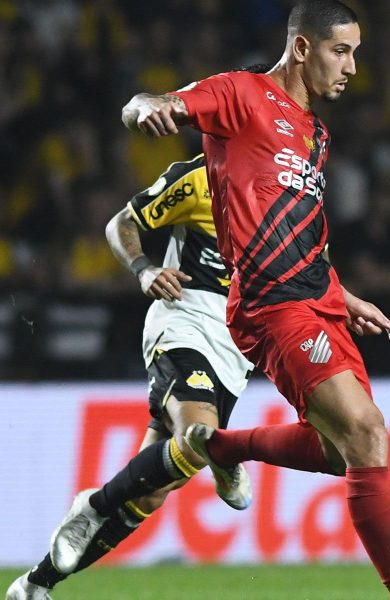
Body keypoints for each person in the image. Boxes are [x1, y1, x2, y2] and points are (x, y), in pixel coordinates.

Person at [49, 2, 390, 599]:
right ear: (305, 48)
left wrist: (344, 294)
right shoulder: (242, 94)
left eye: (357, 53)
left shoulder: (315, 134)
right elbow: (147, 104)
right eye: (343, 51)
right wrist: (151, 110)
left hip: (319, 301)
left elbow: (303, 232)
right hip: (270, 304)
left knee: (346, 455)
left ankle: (224, 446)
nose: (354, 68)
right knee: (366, 433)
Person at [6, 150, 257, 600]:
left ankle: (36, 584)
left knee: (149, 495)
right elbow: (122, 223)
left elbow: (311, 272)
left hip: (236, 350)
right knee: (200, 435)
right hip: (186, 321)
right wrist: (145, 269)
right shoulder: (199, 178)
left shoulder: (294, 192)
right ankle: (105, 500)